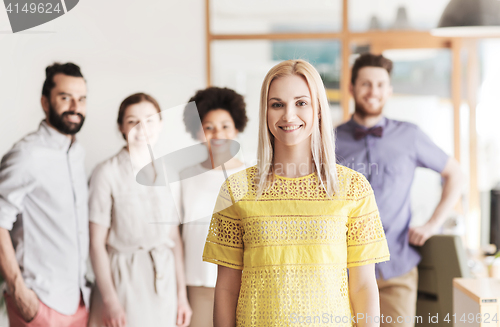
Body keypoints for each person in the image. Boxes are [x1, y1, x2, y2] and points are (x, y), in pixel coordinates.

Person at [202, 59, 390, 327]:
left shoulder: (354, 188)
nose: (288, 115)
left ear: (319, 111)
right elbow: (227, 289)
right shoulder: (235, 189)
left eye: (301, 103)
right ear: (265, 112)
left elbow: (363, 287)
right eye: (277, 104)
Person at [335, 53, 464, 327]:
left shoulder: (410, 136)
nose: (373, 92)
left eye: (380, 85)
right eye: (366, 84)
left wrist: (432, 224)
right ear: (352, 88)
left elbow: (456, 174)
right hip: (342, 273)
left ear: (389, 90)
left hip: (397, 271)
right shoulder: (329, 140)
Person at [87, 93, 191, 327]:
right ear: (121, 127)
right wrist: (111, 301)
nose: (142, 128)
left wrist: (181, 296)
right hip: (123, 279)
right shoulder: (106, 173)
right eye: (133, 121)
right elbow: (96, 243)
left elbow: (174, 237)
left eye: (150, 120)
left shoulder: (169, 173)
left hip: (164, 282)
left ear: (160, 124)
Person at [0, 63, 90, 327]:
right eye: (65, 97)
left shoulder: (77, 152)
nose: (75, 106)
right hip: (39, 302)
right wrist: (18, 290)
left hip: (78, 300)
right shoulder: (27, 154)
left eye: (82, 99)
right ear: (45, 102)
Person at [179, 87, 248, 327]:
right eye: (209, 127)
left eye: (225, 126)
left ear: (237, 128)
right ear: (198, 131)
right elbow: (176, 237)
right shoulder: (184, 176)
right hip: (197, 283)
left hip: (242, 282)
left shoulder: (253, 176)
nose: (218, 133)